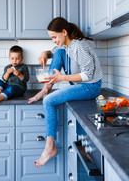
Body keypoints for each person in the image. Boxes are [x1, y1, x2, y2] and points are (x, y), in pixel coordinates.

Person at [28, 17, 103, 167]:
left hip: (90, 86)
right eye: (51, 38)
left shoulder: (79, 46)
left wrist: (62, 77)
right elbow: (53, 51)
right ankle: (46, 88)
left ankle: (50, 146)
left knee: (48, 101)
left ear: (64, 32)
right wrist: (44, 53)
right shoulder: (67, 45)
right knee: (59, 52)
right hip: (79, 84)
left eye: (54, 37)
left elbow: (88, 75)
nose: (53, 40)